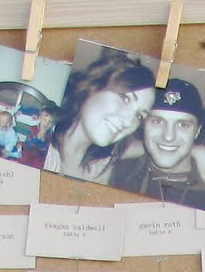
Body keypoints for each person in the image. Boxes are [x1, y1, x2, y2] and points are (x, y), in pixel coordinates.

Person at [107, 77, 205, 214]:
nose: (168, 137)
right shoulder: (118, 171)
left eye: (183, 125)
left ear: (197, 131)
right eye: (157, 121)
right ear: (144, 125)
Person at [46, 53, 159, 184]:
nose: (128, 122)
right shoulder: (42, 148)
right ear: (93, 86)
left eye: (139, 116)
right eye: (125, 98)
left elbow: (150, 146)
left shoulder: (104, 160)